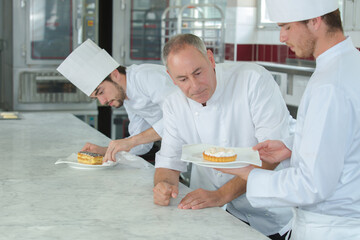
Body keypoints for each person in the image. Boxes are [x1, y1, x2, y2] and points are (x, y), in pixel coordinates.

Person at [216, 0, 360, 239]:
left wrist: (248, 173)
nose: (282, 37)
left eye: (287, 27)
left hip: (331, 228)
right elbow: (347, 138)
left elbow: (311, 186)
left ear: (315, 21)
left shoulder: (330, 85)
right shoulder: (350, 63)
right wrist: (293, 148)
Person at [153, 34, 295, 240]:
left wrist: (221, 195)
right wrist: (163, 185)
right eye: (182, 79)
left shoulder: (252, 80)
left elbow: (272, 155)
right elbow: (169, 162)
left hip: (270, 211)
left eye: (198, 73)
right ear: (170, 77)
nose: (195, 85)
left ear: (210, 59)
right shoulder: (174, 104)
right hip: (221, 214)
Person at [57, 39, 176, 162]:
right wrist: (105, 150)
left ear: (115, 74)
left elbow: (178, 116)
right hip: (183, 150)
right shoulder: (126, 97)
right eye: (96, 97)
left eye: (101, 92)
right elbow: (141, 144)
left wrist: (131, 141)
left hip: (196, 145)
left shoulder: (145, 77)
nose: (102, 101)